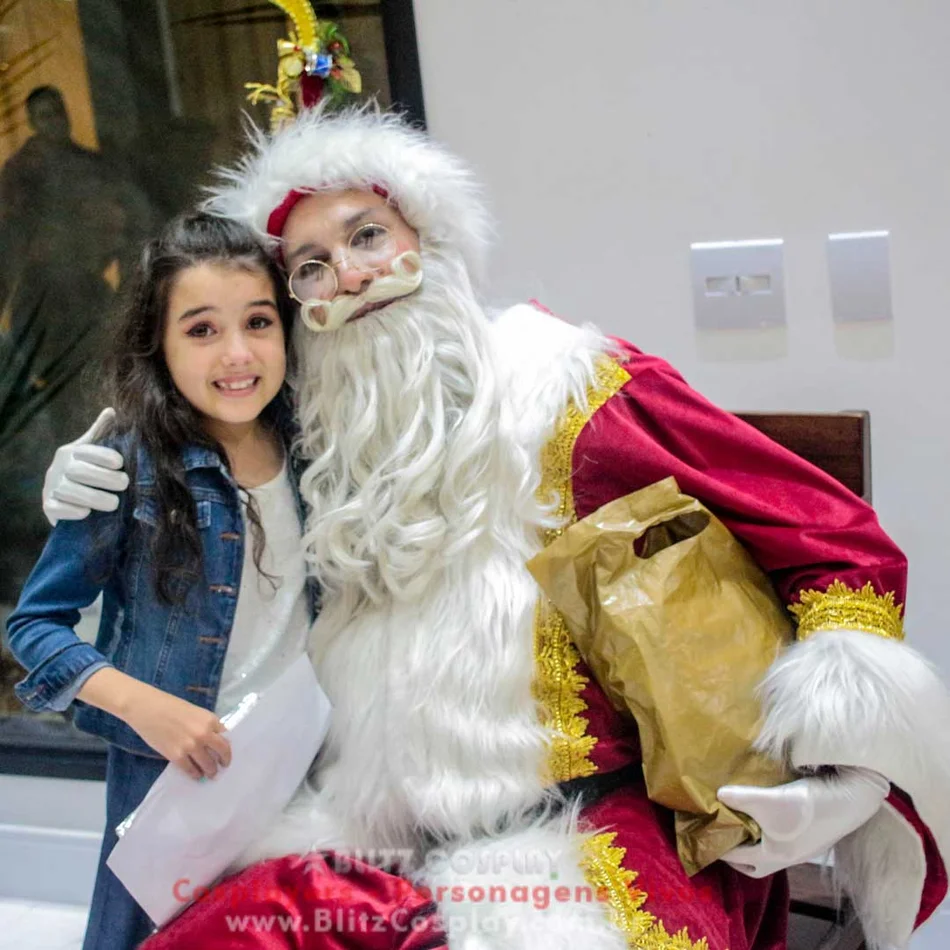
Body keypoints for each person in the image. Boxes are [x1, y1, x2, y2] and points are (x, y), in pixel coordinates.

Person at [44, 109, 950, 950]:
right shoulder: (319, 444)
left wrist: (845, 770)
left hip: (583, 830)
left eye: (367, 237)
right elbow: (201, 451)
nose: (349, 276)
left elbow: (826, 531)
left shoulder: (565, 389)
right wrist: (110, 482)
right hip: (370, 839)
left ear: (426, 241)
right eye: (312, 267)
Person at [6, 213, 315, 950]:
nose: (237, 354)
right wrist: (145, 708)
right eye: (202, 330)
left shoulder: (314, 445)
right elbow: (34, 628)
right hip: (176, 783)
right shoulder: (131, 463)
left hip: (303, 773)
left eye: (259, 322)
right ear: (160, 345)